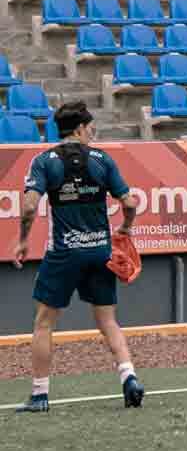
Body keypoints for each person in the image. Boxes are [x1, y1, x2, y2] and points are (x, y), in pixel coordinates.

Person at [13, 101, 144, 412]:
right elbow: (129, 201)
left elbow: (30, 207)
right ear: (81, 128)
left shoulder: (44, 161)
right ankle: (129, 376)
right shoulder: (102, 159)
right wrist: (125, 227)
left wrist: (22, 241)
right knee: (108, 320)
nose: (93, 131)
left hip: (64, 252)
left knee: (44, 322)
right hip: (100, 250)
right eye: (90, 127)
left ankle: (40, 395)